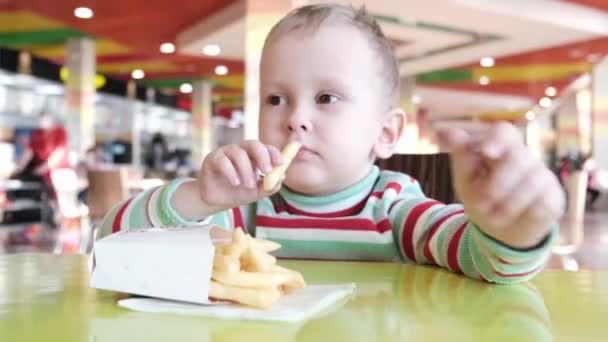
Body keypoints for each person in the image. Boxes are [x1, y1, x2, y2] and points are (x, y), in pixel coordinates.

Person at [96, 4, 564, 284]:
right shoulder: (245, 209)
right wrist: (199, 197)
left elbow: (488, 263)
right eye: (276, 98)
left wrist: (513, 228)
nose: (296, 118)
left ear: (385, 134)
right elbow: (111, 247)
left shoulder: (394, 207)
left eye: (326, 98)